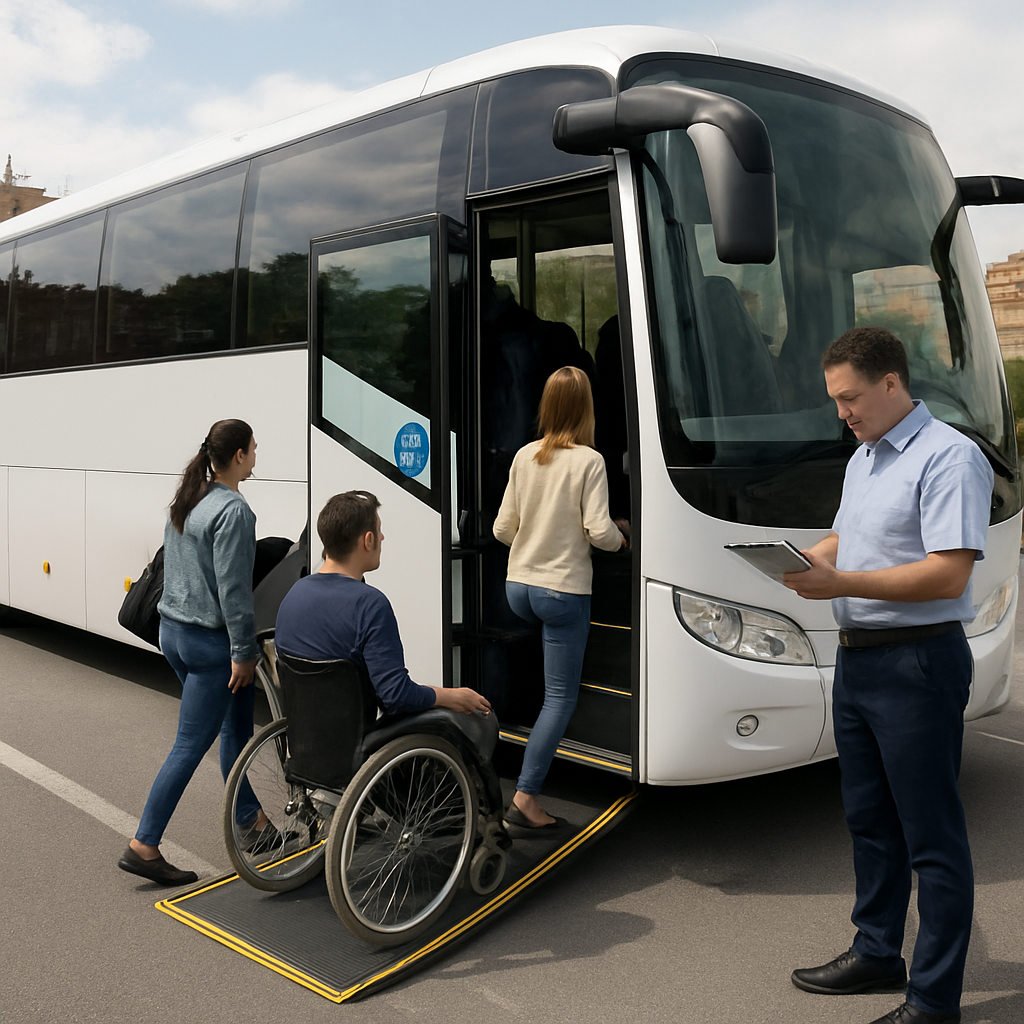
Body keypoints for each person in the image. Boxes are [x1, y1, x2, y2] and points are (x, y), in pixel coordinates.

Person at [783, 327, 993, 1024]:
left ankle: (934, 1002)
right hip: (860, 660)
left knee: (931, 835)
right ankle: (877, 951)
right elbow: (847, 533)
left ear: (892, 385)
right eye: (836, 400)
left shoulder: (950, 458)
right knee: (870, 820)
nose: (841, 412)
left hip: (917, 663)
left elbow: (948, 572)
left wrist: (842, 579)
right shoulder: (866, 456)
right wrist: (805, 559)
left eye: (849, 399)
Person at [118, 419, 267, 887]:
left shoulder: (189, 497)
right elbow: (235, 593)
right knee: (190, 745)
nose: (257, 455)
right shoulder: (234, 511)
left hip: (174, 634)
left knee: (235, 728)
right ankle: (144, 844)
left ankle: (253, 823)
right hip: (210, 647)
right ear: (239, 456)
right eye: (254, 448)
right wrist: (244, 653)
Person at [493, 366, 628, 831]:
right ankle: (527, 798)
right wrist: (623, 538)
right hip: (562, 591)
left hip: (519, 588)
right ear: (586, 408)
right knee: (559, 698)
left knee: (543, 683)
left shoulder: (525, 456)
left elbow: (502, 529)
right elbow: (599, 531)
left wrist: (537, 544)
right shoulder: (589, 461)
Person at [274, 490, 491, 718]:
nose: (383, 537)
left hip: (305, 737)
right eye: (379, 530)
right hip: (358, 741)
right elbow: (395, 696)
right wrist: (450, 696)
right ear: (368, 540)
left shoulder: (295, 593)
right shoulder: (370, 604)